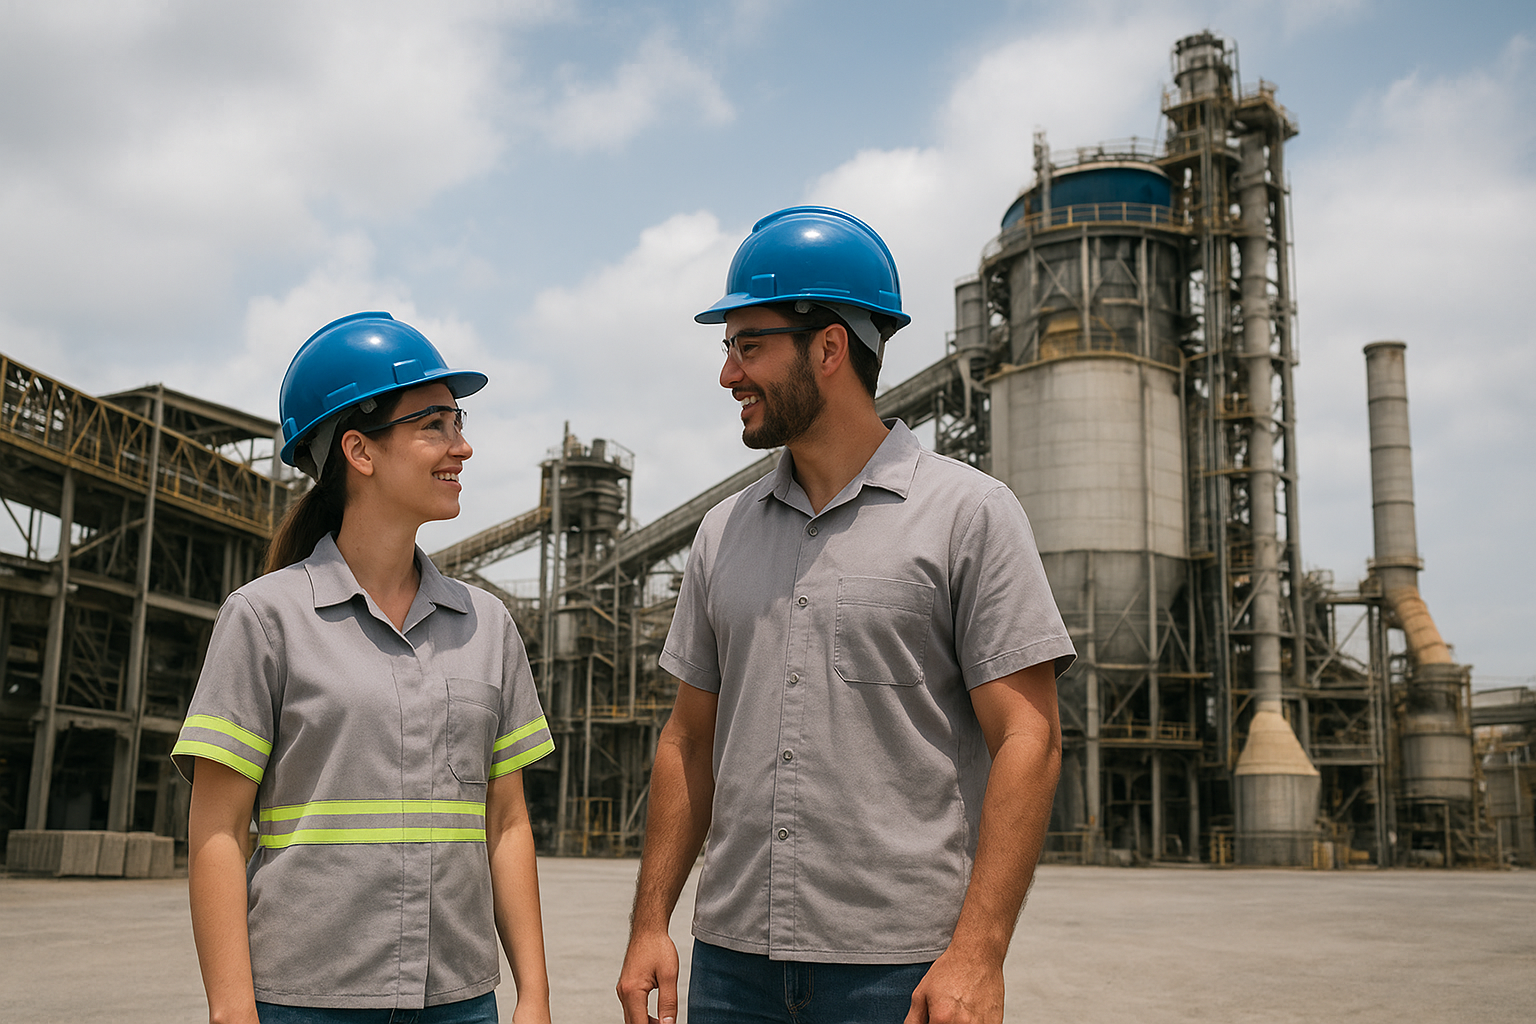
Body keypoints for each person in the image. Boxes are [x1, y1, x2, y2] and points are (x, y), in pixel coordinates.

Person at [617, 207, 1075, 1024]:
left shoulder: (968, 515)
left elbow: (1028, 738)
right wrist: (651, 922)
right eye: (727, 348)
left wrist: (979, 952)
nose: (728, 375)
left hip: (898, 972)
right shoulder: (723, 533)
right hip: (730, 969)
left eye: (747, 345)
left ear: (829, 347)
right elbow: (687, 741)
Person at [174, 312, 555, 1024]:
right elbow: (218, 831)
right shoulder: (266, 619)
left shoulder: (487, 625)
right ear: (359, 450)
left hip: (459, 1001)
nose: (463, 446)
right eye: (434, 424)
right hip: (305, 1000)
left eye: (459, 421)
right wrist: (231, 1009)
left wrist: (533, 993)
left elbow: (506, 823)